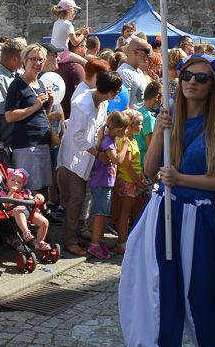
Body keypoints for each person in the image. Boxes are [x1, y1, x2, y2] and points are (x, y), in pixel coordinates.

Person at [120, 54, 215, 347]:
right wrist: (159, 132)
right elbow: (149, 170)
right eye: (187, 75)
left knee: (207, 291)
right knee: (158, 296)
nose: (192, 82)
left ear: (214, 87)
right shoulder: (168, 120)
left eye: (202, 78)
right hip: (163, 216)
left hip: (203, 219)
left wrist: (182, 179)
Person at [55, 70, 123, 256]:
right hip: (74, 159)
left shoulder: (103, 102)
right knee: (76, 199)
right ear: (110, 91)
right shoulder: (83, 106)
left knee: (84, 197)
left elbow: (100, 127)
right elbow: (77, 137)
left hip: (88, 157)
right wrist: (98, 154)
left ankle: (79, 230)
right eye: (117, 90)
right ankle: (69, 240)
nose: (118, 93)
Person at [4, 44, 55, 194]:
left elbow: (42, 114)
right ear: (24, 61)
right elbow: (9, 116)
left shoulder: (41, 84)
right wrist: (35, 106)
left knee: (43, 191)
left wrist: (50, 103)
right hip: (26, 145)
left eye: (41, 59)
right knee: (29, 191)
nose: (37, 63)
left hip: (43, 143)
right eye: (33, 59)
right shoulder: (17, 85)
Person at [88, 109, 128, 259]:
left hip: (105, 182)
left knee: (103, 213)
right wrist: (125, 146)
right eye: (124, 129)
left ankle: (98, 241)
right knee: (100, 214)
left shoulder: (110, 140)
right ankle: (94, 245)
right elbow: (117, 160)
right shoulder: (108, 141)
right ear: (119, 129)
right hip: (101, 182)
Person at [113, 110, 147, 254]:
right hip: (128, 182)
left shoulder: (133, 140)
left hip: (132, 181)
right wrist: (139, 182)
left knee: (129, 213)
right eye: (139, 123)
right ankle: (122, 243)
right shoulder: (125, 141)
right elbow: (127, 165)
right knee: (125, 214)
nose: (141, 126)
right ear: (130, 124)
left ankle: (127, 240)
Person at [3, 168, 51, 252]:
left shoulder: (26, 192)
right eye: (13, 180)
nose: (15, 183)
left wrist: (36, 198)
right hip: (14, 211)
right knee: (20, 213)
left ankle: (40, 242)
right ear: (7, 182)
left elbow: (32, 198)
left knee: (45, 222)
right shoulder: (5, 192)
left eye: (19, 182)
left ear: (22, 185)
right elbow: (7, 204)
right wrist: (11, 192)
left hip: (29, 211)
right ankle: (26, 233)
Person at [50, 0, 89, 65]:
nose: (75, 13)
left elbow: (65, 35)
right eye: (75, 11)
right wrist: (83, 34)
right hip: (63, 54)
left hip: (54, 54)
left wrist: (79, 31)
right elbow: (75, 42)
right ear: (70, 11)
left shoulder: (57, 23)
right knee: (86, 63)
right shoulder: (68, 24)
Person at [118, 35, 152, 110]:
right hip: (132, 117)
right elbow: (125, 107)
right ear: (136, 52)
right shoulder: (124, 73)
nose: (148, 55)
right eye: (146, 51)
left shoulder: (139, 71)